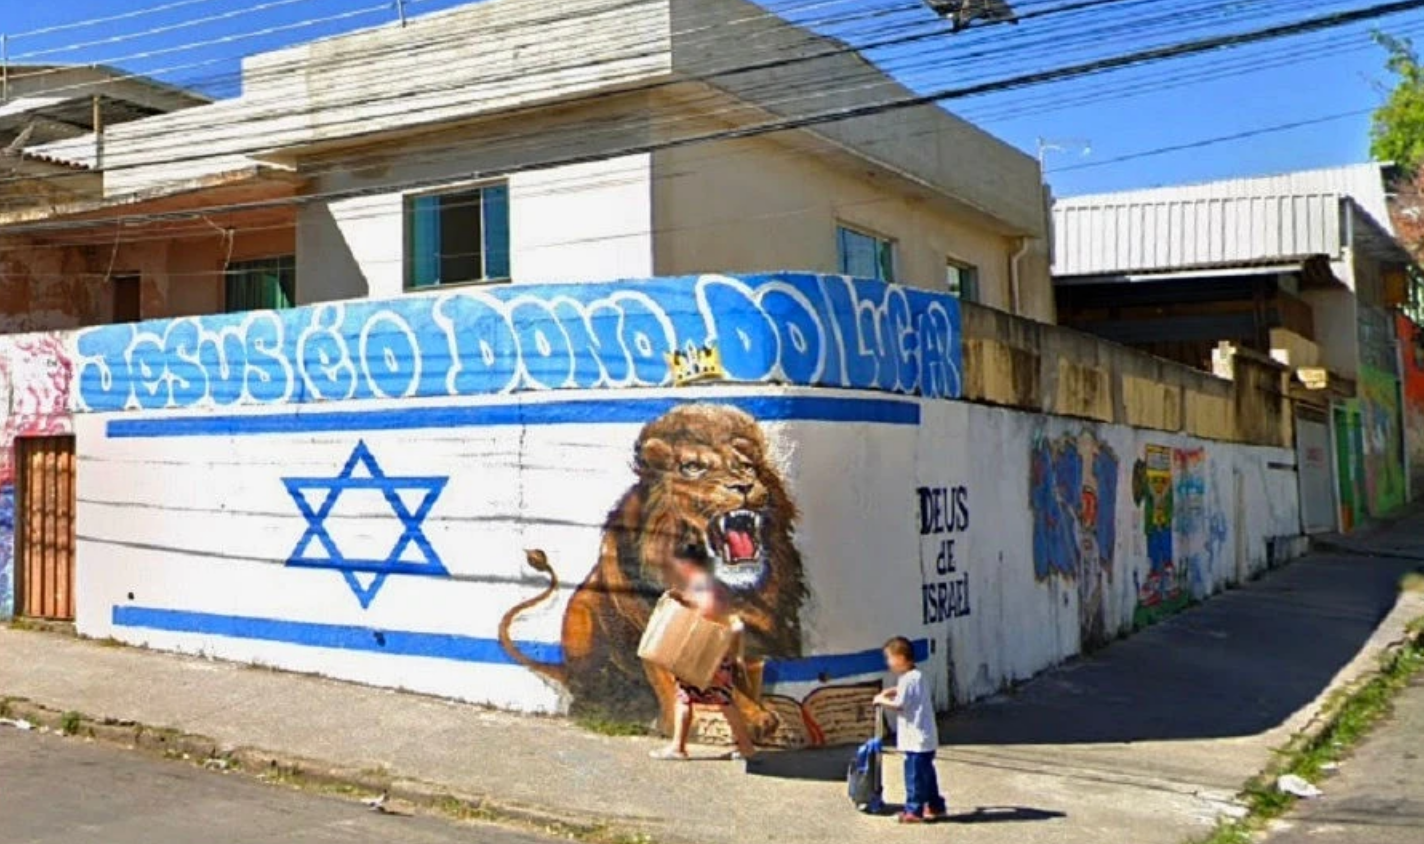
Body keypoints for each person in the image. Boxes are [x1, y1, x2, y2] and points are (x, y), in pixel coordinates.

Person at [650, 544, 758, 762]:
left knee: (686, 698)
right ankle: (746, 748)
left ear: (687, 563)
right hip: (717, 653)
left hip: (704, 653)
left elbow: (708, 610)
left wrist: (685, 605)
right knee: (723, 701)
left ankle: (678, 748)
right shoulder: (714, 583)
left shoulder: (700, 584)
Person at [873, 636, 947, 823]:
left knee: (914, 775)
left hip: (915, 739)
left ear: (900, 658)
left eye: (889, 658)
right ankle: (935, 805)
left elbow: (900, 704)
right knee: (927, 774)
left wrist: (881, 700)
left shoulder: (907, 680)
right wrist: (891, 690)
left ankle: (913, 810)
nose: (888, 662)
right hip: (926, 738)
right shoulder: (917, 676)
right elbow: (905, 692)